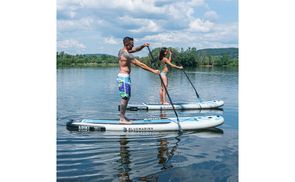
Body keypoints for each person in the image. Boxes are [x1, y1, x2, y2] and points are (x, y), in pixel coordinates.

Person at [117, 36, 160, 124]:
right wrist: (153, 71)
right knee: (125, 97)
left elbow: (136, 49)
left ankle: (123, 116)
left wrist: (143, 46)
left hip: (125, 77)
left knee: (127, 97)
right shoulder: (126, 54)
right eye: (131, 44)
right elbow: (140, 64)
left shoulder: (122, 50)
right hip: (123, 78)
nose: (133, 46)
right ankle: (121, 118)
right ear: (126, 44)